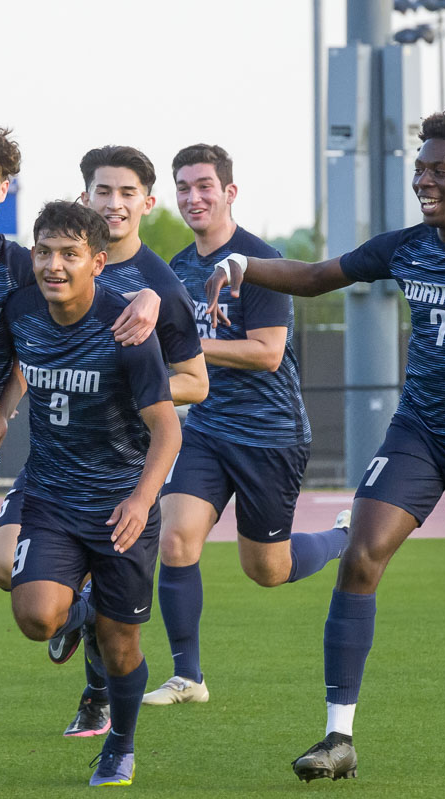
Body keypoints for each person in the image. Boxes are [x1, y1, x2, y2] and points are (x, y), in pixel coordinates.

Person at [206, 110, 445, 782]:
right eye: (422, 167)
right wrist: (245, 264)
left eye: (442, 170)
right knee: (363, 552)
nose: (424, 179)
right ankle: (338, 737)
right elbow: (320, 275)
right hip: (419, 431)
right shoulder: (404, 246)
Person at [0, 144, 206, 739]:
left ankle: (99, 698)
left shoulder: (159, 287)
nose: (113, 202)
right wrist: (5, 413)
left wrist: (131, 378)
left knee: (119, 630)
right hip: (54, 463)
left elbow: (196, 384)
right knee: (5, 567)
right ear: (85, 197)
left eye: (126, 192)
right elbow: (24, 348)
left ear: (146, 202)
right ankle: (79, 606)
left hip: (118, 462)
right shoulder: (43, 268)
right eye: (102, 191)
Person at [142, 144, 350, 708]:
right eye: (183, 187)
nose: (193, 197)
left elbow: (267, 353)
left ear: (229, 192)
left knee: (267, 568)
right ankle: (188, 676)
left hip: (271, 434)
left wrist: (189, 348)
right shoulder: (178, 268)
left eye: (204, 185)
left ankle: (342, 539)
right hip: (207, 429)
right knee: (176, 537)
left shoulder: (261, 261)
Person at [7, 200, 181, 787]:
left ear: (97, 262)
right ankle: (77, 609)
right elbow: (9, 365)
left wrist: (139, 501)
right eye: (44, 252)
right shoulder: (21, 308)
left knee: (120, 644)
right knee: (34, 616)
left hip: (120, 507)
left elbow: (168, 430)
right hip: (52, 498)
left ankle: (121, 746)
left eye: (69, 255)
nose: (54, 265)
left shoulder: (128, 328)